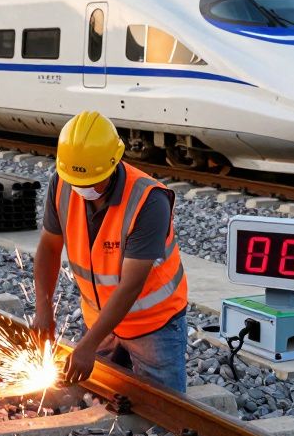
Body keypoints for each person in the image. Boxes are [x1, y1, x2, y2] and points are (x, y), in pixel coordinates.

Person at [29, 111, 188, 392]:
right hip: (101, 322)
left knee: (164, 411)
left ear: (114, 164)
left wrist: (87, 345)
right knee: (103, 399)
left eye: (91, 182)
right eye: (77, 182)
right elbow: (49, 248)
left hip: (153, 328)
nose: (82, 189)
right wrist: (43, 309)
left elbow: (131, 285)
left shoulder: (149, 201)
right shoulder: (63, 183)